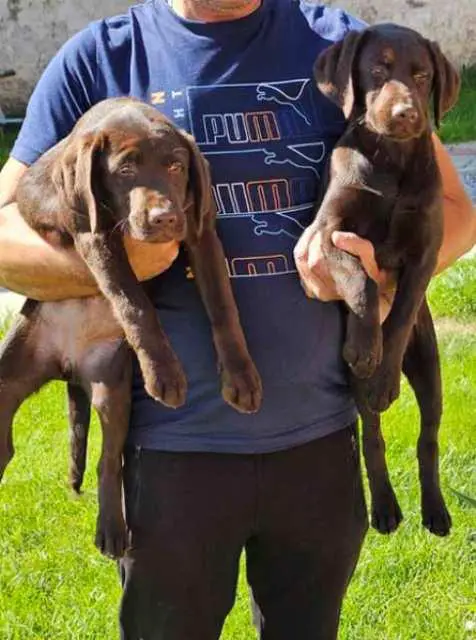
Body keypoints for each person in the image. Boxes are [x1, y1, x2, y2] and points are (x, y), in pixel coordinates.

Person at [0, 1, 474, 638]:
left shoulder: (337, 43)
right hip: (172, 454)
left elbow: (453, 210)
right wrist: (127, 261)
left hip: (320, 445)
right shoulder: (103, 56)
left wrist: (384, 288)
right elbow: (5, 230)